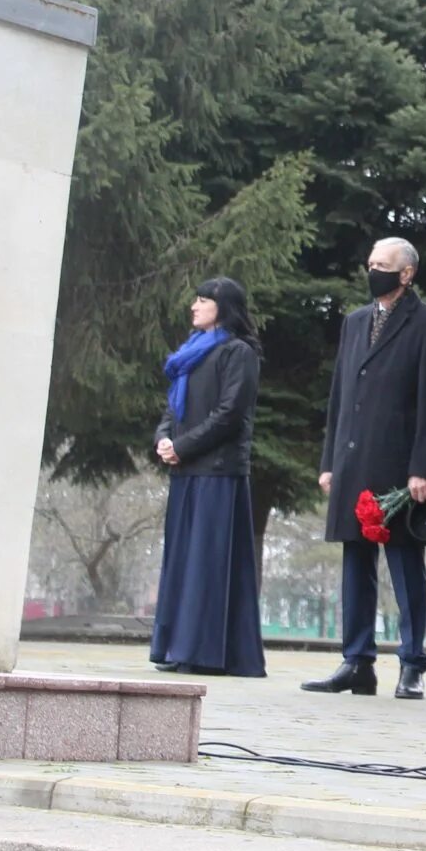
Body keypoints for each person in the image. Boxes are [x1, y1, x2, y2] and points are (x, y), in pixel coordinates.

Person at [302, 238, 426, 700]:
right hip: (353, 460)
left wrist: (423, 468)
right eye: (369, 263)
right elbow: (340, 397)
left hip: (400, 466)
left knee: (406, 564)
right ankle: (357, 661)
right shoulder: (354, 323)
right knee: (355, 560)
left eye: (383, 265)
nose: (374, 271)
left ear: (406, 273)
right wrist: (330, 461)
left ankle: (412, 664)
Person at [149, 277, 267, 677]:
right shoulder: (190, 354)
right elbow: (173, 410)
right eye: (196, 299)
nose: (194, 306)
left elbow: (230, 414)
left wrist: (183, 446)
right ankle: (177, 648)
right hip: (187, 470)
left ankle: (206, 652)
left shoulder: (239, 353)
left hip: (218, 471)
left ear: (224, 307)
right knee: (183, 561)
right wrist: (165, 439)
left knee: (207, 564)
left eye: (204, 300)